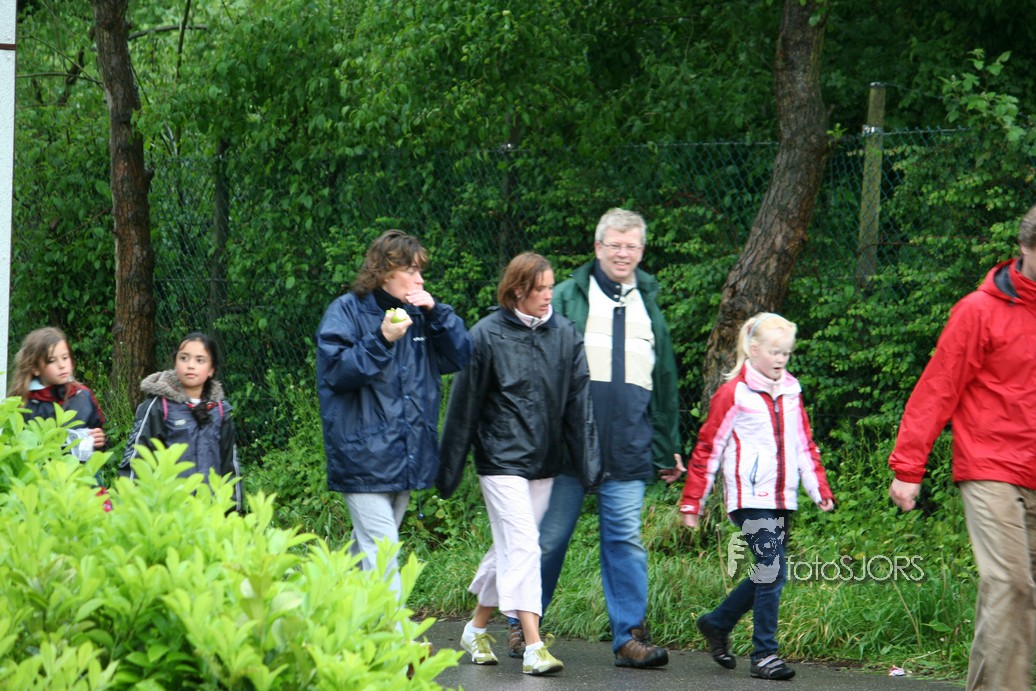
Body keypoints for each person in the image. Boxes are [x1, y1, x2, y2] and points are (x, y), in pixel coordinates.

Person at [509, 208, 683, 668]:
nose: (623, 253)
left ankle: (629, 639)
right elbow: (533, 365)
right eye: (615, 245)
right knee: (549, 539)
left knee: (625, 540)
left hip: (629, 444)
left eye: (632, 246)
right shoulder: (567, 296)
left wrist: (667, 445)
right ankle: (522, 627)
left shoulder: (649, 304)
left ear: (641, 251)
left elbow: (663, 379)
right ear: (598, 247)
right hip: (568, 447)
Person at [888, 203, 1036, 691]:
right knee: (1010, 582)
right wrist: (908, 467)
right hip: (991, 463)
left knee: (1016, 595)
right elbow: (939, 387)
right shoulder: (979, 311)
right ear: (1024, 247)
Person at [437, 252, 601, 676]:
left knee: (509, 547)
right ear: (516, 291)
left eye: (550, 287)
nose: (548, 296)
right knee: (526, 545)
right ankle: (533, 645)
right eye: (539, 289)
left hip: (544, 463)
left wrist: (590, 466)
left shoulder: (565, 334)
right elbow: (463, 406)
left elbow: (579, 405)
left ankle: (475, 629)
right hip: (499, 460)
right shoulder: (485, 335)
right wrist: (448, 468)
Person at [316, 229, 472, 598]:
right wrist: (381, 339)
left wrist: (438, 314)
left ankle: (327, 608)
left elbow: (461, 356)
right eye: (412, 271)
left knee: (365, 552)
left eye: (421, 272)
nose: (420, 280)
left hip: (407, 453)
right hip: (362, 456)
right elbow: (335, 373)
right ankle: (396, 632)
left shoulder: (422, 315)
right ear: (386, 272)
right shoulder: (346, 311)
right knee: (383, 550)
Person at [679, 312, 835, 681]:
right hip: (749, 496)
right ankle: (765, 654)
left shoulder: (792, 390)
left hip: (781, 497)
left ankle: (718, 622)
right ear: (753, 350)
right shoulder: (734, 392)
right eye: (774, 352)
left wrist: (818, 489)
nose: (781, 359)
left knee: (770, 570)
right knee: (773, 569)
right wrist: (693, 501)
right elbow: (708, 448)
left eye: (786, 353)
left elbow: (804, 443)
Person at [121, 332, 243, 513]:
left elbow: (230, 465)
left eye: (200, 360)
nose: (190, 365)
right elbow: (136, 459)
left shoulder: (220, 411)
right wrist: (131, 508)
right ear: (175, 363)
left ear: (211, 369)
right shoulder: (158, 406)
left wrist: (234, 512)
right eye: (184, 358)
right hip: (168, 512)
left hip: (210, 513)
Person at [8, 326, 107, 461]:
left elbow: (98, 434)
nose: (61, 365)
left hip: (81, 472)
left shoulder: (83, 395)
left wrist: (100, 441)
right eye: (52, 360)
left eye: (65, 358)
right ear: (36, 368)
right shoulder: (25, 404)